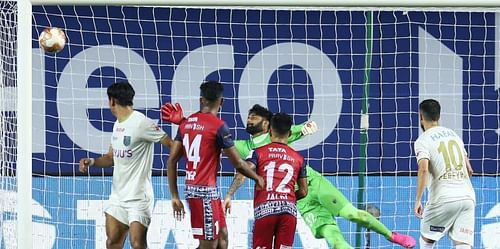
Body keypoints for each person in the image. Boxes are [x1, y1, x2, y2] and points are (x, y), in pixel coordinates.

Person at [162, 102, 416, 249]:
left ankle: (391, 236)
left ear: (268, 124)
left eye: (255, 116)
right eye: (248, 116)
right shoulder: (242, 146)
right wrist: (183, 121)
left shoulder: (282, 133)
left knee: (351, 214)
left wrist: (307, 128)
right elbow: (211, 145)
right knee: (335, 240)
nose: (249, 119)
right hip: (296, 201)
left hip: (313, 184)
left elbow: (300, 128)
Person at [166, 80, 264, 249]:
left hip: (203, 190)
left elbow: (172, 160)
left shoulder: (186, 124)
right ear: (222, 102)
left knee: (222, 237)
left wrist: (175, 195)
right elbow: (239, 164)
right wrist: (257, 178)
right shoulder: (219, 126)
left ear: (201, 100)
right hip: (203, 191)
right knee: (209, 245)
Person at [79, 81, 173, 249]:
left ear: (112, 101)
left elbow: (171, 145)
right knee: (112, 242)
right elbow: (110, 158)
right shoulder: (118, 124)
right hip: (118, 197)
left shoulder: (142, 123)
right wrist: (92, 162)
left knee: (137, 244)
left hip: (139, 198)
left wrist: (173, 164)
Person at [414, 99, 475, 249]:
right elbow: (469, 170)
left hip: (443, 197)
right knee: (463, 244)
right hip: (468, 197)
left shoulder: (423, 140)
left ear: (420, 116)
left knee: (426, 240)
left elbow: (423, 169)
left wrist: (418, 200)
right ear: (439, 116)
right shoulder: (454, 135)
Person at [246, 112, 308, 249]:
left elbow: (245, 169)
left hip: (265, 211)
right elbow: (303, 191)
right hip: (288, 213)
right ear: (290, 133)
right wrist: (287, 197)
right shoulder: (299, 159)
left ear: (270, 131)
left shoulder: (258, 152)